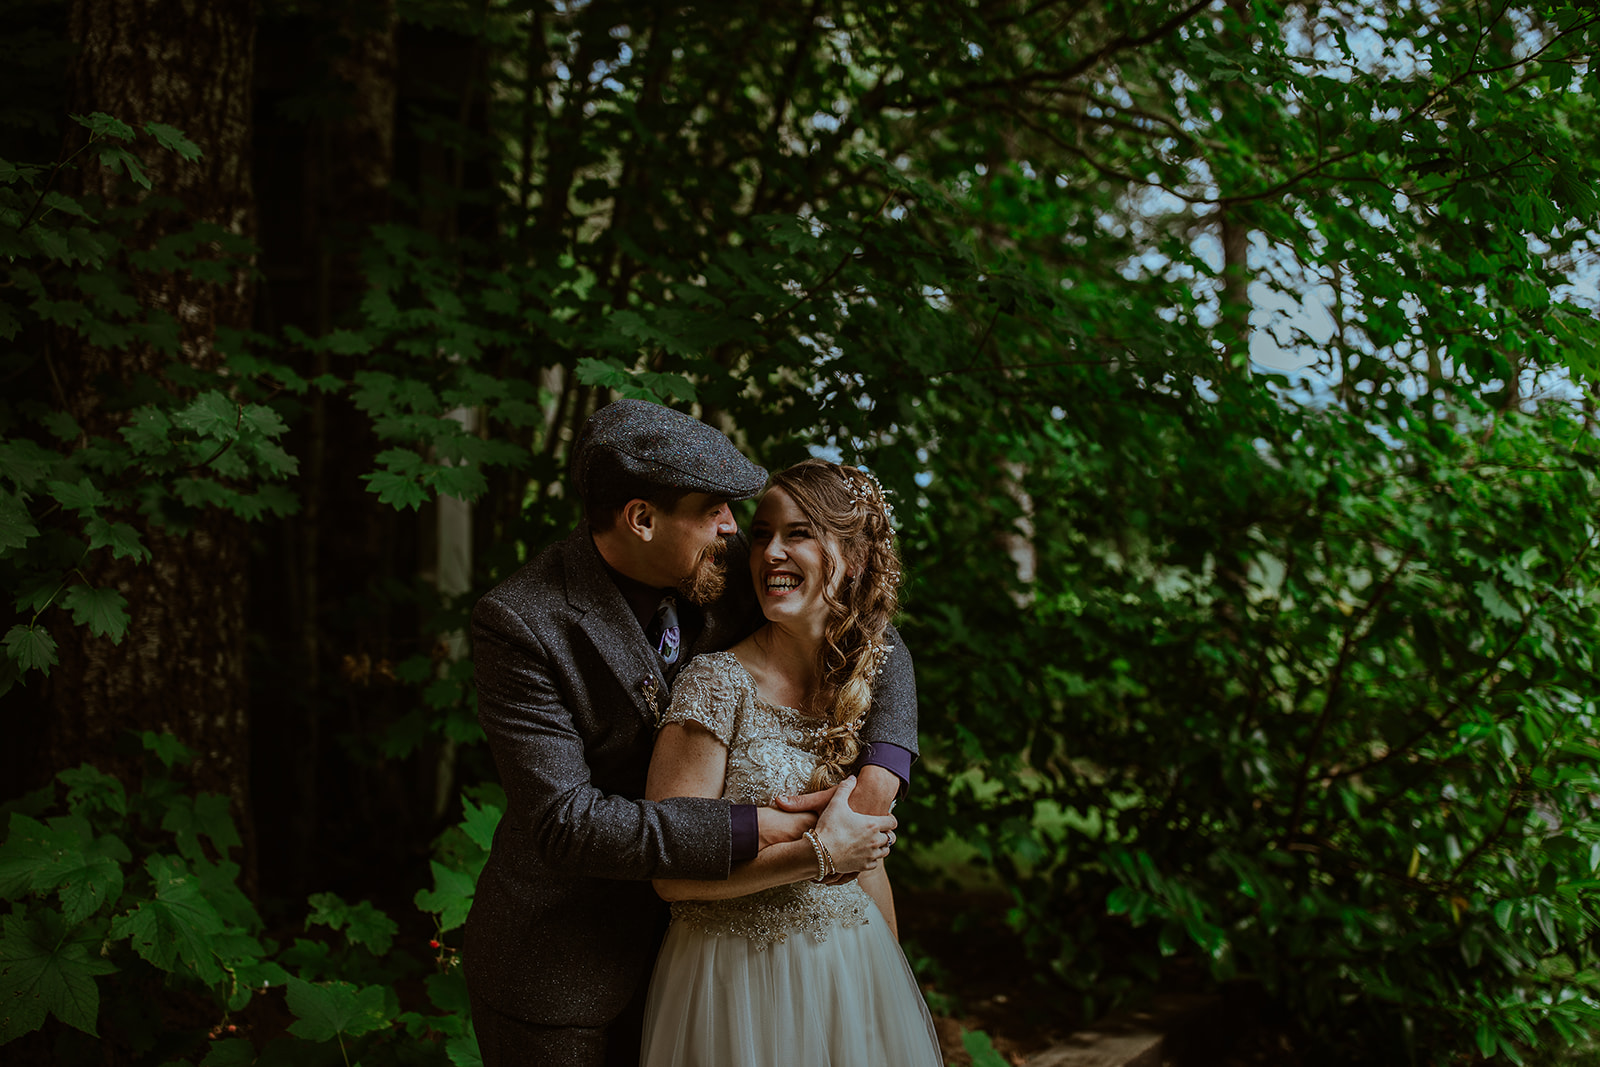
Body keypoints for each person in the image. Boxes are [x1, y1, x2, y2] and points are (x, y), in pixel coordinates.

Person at [464, 400, 921, 1067]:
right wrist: (761, 827)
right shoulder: (523, 622)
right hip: (564, 964)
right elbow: (566, 822)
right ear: (642, 519)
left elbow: (868, 630)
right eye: (715, 508)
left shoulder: (724, 565)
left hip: (704, 960)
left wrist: (880, 771)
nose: (735, 528)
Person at [640, 459, 944, 1066]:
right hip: (733, 981)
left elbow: (867, 862)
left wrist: (889, 984)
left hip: (850, 967)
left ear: (852, 559)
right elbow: (670, 874)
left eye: (798, 533)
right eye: (760, 534)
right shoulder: (715, 682)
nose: (770, 552)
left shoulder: (863, 683)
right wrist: (819, 853)